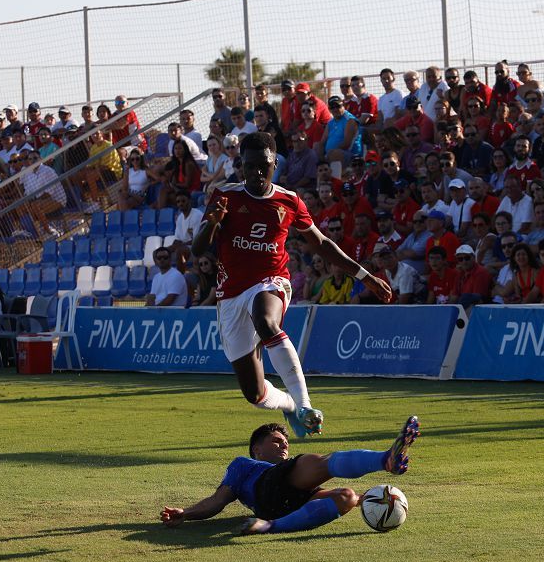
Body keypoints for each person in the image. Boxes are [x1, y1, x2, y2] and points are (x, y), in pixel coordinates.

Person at [191, 133, 392, 438]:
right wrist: (213, 223)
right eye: (250, 166)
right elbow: (197, 249)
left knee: (266, 319)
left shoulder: (289, 200)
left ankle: (305, 403)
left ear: (275, 165)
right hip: (231, 295)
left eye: (264, 166)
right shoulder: (225, 196)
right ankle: (289, 406)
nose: (257, 173)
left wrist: (364, 275)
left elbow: (322, 243)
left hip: (272, 281)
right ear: (240, 166)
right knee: (254, 394)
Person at [161, 416, 419, 535]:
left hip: (284, 508)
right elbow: (216, 501)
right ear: (256, 449)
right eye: (276, 441)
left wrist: (378, 500)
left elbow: (325, 496)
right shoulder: (244, 465)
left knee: (347, 496)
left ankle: (269, 527)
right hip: (269, 488)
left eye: (286, 442)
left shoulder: (292, 474)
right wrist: (187, 513)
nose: (284, 445)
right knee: (316, 462)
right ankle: (384, 460)